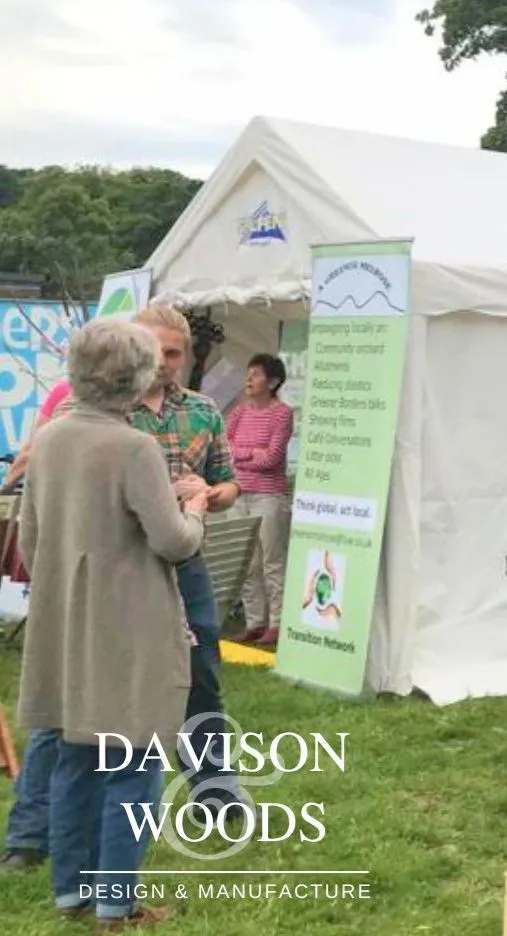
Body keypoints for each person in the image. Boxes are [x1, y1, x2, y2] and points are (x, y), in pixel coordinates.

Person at [15, 319, 207, 928]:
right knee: (132, 763)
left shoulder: (49, 439)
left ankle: (72, 891)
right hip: (128, 621)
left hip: (65, 618)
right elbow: (173, 542)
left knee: (74, 758)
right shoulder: (134, 447)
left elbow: (28, 537)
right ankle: (116, 901)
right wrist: (195, 508)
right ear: (138, 377)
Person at [125, 304, 242, 814]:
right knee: (124, 674)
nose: (165, 360)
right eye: (156, 349)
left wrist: (213, 494)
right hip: (126, 562)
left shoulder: (203, 410)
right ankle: (122, 790)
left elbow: (230, 483)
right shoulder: (107, 409)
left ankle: (214, 791)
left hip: (187, 563)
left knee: (201, 673)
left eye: (175, 351)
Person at [0, 378, 75, 871]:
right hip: (71, 575)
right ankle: (29, 838)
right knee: (56, 711)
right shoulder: (69, 400)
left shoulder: (192, 413)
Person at [228, 353, 294, 647]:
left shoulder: (282, 413)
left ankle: (277, 623)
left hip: (268, 496)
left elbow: (272, 458)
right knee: (246, 562)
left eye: (255, 374)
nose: (249, 379)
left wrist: (243, 455)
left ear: (273, 381)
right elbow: (225, 448)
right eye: (248, 373)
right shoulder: (239, 412)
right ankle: (255, 622)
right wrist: (250, 452)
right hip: (239, 493)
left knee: (272, 560)